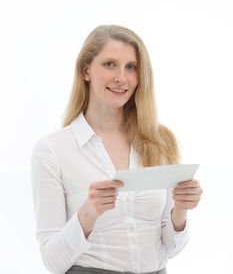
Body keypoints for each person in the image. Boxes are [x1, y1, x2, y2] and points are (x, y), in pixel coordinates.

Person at [31, 25, 203, 274]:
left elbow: (171, 248)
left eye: (131, 67)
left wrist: (181, 209)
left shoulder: (159, 142)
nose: (121, 78)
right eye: (110, 64)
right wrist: (88, 213)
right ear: (86, 70)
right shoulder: (52, 150)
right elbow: (52, 261)